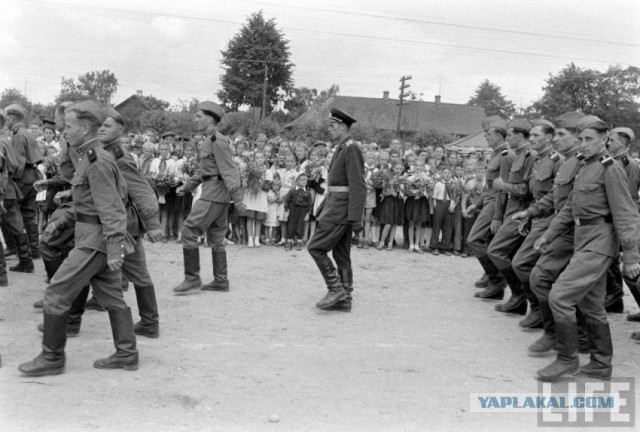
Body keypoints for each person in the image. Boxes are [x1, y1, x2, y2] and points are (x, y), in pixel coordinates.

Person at [19, 101, 138, 376]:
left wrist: (114, 250)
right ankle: (127, 353)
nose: (65, 132)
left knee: (56, 293)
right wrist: (70, 200)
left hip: (95, 241)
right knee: (112, 299)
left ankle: (52, 358)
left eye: (69, 127)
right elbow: (94, 199)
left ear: (85, 128)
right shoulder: (90, 156)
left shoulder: (97, 160)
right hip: (91, 235)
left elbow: (112, 209)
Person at [534, 115, 640, 381]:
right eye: (580, 139)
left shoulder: (610, 168)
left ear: (605, 140)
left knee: (559, 296)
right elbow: (570, 208)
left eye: (589, 139)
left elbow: (626, 214)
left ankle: (567, 359)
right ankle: (601, 364)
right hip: (583, 239)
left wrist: (630, 256)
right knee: (591, 305)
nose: (583, 144)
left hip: (601, 242)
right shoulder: (584, 166)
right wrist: (548, 235)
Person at [525, 112, 588, 357]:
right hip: (563, 229)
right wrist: (530, 212)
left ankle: (561, 336)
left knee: (545, 280)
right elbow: (555, 196)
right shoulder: (568, 161)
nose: (556, 138)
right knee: (550, 281)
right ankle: (571, 336)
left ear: (577, 137)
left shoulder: (584, 162)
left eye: (561, 134)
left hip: (577, 232)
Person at [174, 101, 244, 295]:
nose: (195, 119)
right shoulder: (209, 140)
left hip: (214, 194)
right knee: (216, 238)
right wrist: (188, 186)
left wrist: (238, 199)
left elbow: (230, 170)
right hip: (216, 193)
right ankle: (220, 281)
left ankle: (192, 279)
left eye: (199, 116)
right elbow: (205, 171)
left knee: (189, 231)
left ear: (210, 118)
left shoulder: (217, 140)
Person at [307, 108, 365, 312]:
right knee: (341, 254)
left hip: (340, 209)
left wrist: (356, 218)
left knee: (315, 247)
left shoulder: (351, 148)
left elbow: (358, 185)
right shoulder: (343, 147)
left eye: (332, 126)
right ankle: (345, 297)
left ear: (342, 126)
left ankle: (335, 289)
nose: (328, 130)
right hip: (337, 205)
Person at [509, 120, 561, 328]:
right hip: (537, 216)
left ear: (548, 138)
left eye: (535, 135)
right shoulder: (538, 160)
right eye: (530, 135)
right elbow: (535, 194)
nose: (530, 139)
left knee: (522, 263)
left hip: (549, 219)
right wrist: (528, 216)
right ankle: (539, 309)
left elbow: (555, 196)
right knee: (527, 265)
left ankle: (541, 310)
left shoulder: (558, 161)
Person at [467, 119, 515, 299]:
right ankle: (493, 279)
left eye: (490, 134)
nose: (486, 136)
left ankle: (496, 279)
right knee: (481, 240)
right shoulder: (495, 154)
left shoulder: (506, 156)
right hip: (488, 201)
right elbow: (488, 186)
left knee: (475, 239)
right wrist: (477, 204)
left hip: (496, 202)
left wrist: (497, 215)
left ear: (501, 136)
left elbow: (502, 189)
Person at [4, 104, 43, 259]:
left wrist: (9, 179)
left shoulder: (18, 135)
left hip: (22, 177)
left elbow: (17, 164)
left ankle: (14, 247)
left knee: (8, 212)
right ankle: (33, 249)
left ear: (12, 117)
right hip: (32, 176)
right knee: (28, 214)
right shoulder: (27, 132)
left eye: (7, 117)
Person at [283, 173, 312, 251]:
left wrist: (307, 214)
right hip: (293, 210)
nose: (304, 181)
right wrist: (286, 211)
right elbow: (287, 201)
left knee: (300, 226)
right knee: (291, 226)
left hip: (302, 211)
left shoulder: (308, 193)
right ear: (296, 181)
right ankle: (289, 242)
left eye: (305, 180)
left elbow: (309, 205)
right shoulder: (292, 191)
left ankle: (299, 242)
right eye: (302, 180)